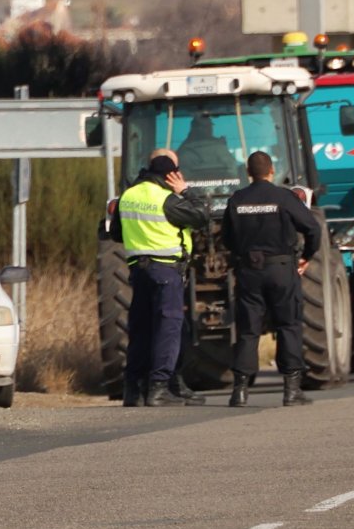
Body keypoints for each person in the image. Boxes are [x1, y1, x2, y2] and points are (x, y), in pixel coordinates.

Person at [223, 151, 323, 408]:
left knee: (248, 330)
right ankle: (291, 391)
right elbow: (312, 228)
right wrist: (306, 256)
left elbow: (227, 238)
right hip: (281, 269)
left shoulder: (237, 199)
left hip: (248, 271)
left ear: (248, 173)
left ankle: (240, 392)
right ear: (271, 171)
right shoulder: (283, 197)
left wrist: (242, 254)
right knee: (288, 325)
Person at [117, 148, 209, 407]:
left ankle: (132, 390)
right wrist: (186, 191)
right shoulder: (166, 199)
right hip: (165, 271)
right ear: (171, 175)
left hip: (138, 269)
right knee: (169, 327)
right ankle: (160, 387)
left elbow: (115, 232)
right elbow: (201, 215)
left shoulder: (128, 196)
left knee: (141, 328)